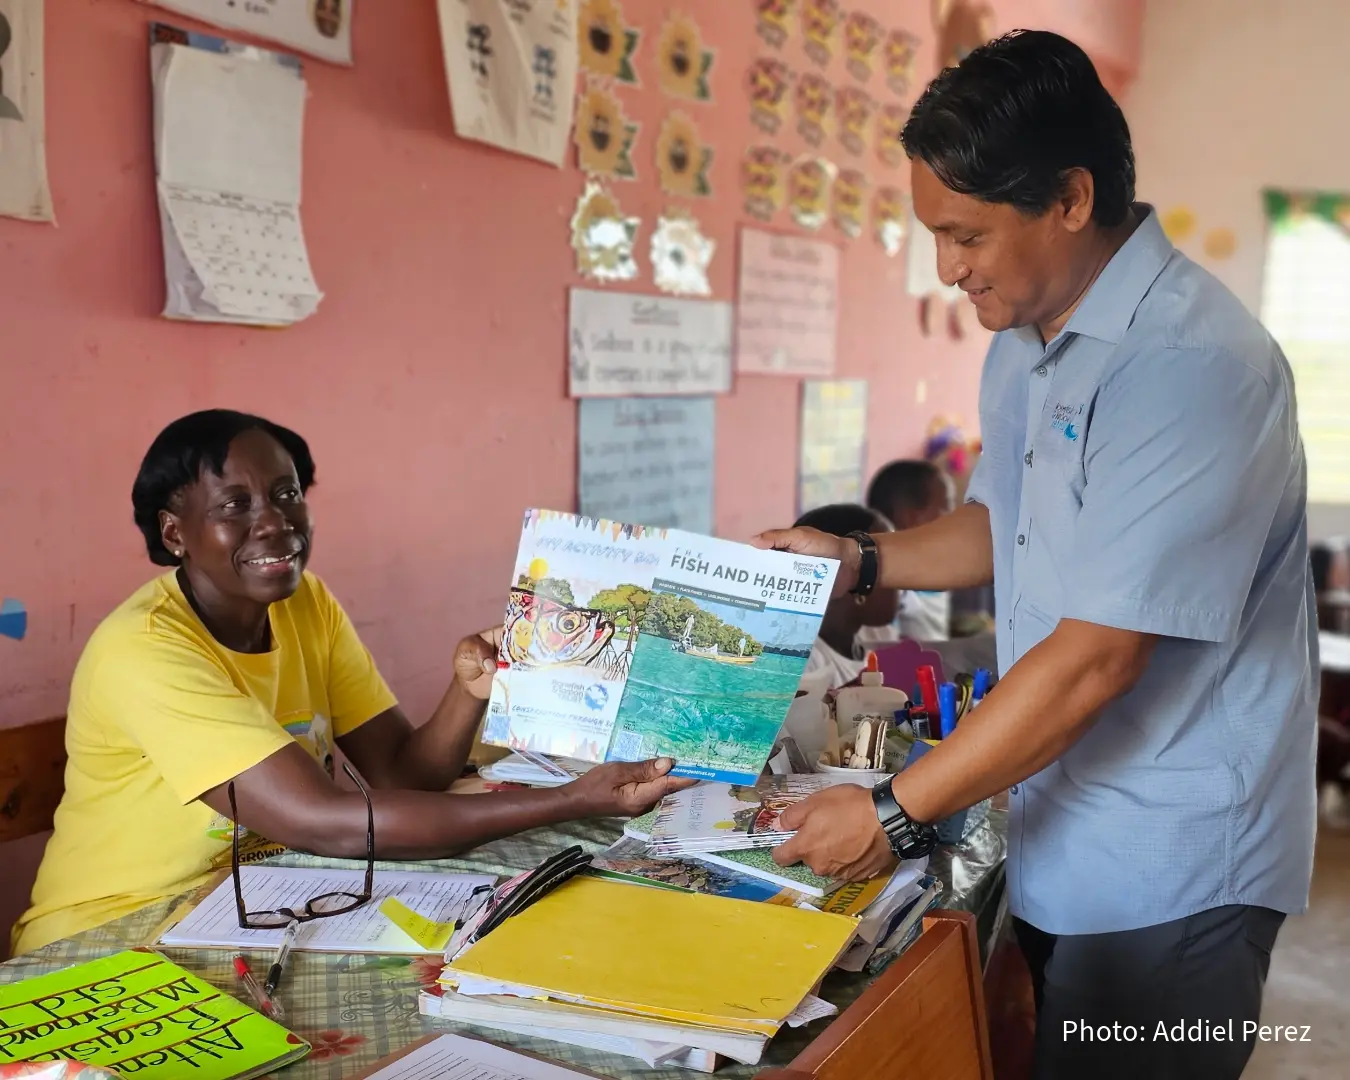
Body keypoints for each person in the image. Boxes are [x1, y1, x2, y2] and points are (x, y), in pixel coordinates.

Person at [754, 30, 1315, 1080]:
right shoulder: (1031, 340)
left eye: (966, 234)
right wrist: (859, 561)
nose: (948, 268)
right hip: (1066, 822)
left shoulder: (1192, 368)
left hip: (1177, 865)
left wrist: (888, 811)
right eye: (933, 234)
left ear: (1068, 197)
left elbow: (1101, 653)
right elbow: (1001, 527)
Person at [13, 410, 689, 956]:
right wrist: (571, 800)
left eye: (286, 494)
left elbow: (401, 773)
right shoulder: (147, 649)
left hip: (254, 902)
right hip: (111, 934)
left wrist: (468, 692)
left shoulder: (306, 604)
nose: (275, 521)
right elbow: (330, 823)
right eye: (235, 504)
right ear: (175, 533)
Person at [794, 504, 900, 690]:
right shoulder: (805, 669)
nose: (901, 581)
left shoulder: (878, 637)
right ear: (848, 577)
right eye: (887, 563)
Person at [860, 459, 956, 642]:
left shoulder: (936, 566)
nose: (954, 516)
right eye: (946, 506)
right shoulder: (884, 583)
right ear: (911, 517)